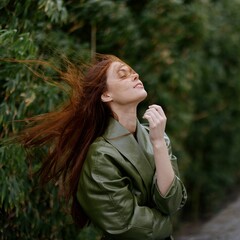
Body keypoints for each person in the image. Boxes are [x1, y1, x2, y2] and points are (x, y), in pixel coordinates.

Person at [17, 54, 187, 239]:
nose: (136, 75)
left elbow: (172, 203)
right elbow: (128, 224)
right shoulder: (101, 157)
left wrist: (159, 143)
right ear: (106, 95)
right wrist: (167, 222)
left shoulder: (156, 136)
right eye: (123, 74)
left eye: (133, 72)